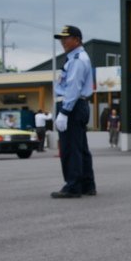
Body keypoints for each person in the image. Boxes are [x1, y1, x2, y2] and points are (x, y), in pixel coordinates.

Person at [51, 25, 96, 198]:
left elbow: (73, 88)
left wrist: (64, 112)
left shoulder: (77, 59)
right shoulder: (77, 57)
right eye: (61, 38)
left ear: (76, 39)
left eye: (66, 38)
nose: (63, 42)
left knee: (70, 147)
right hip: (78, 105)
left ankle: (73, 186)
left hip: (72, 105)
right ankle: (87, 184)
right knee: (80, 147)